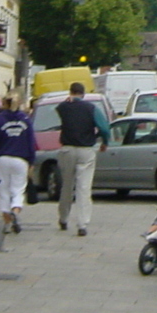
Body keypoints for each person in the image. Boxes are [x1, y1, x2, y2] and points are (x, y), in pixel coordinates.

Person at [55, 82, 111, 236]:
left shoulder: (63, 107)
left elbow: (61, 110)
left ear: (70, 92)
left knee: (66, 185)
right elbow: (105, 128)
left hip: (67, 149)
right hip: (86, 150)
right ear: (83, 93)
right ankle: (82, 224)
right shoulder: (91, 108)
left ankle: (63, 218)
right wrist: (104, 142)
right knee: (84, 188)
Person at [0, 94, 34, 235]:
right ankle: (15, 209)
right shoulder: (26, 119)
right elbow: (31, 142)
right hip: (21, 159)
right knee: (18, 190)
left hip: (2, 158)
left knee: (3, 192)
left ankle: (6, 223)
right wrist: (31, 162)